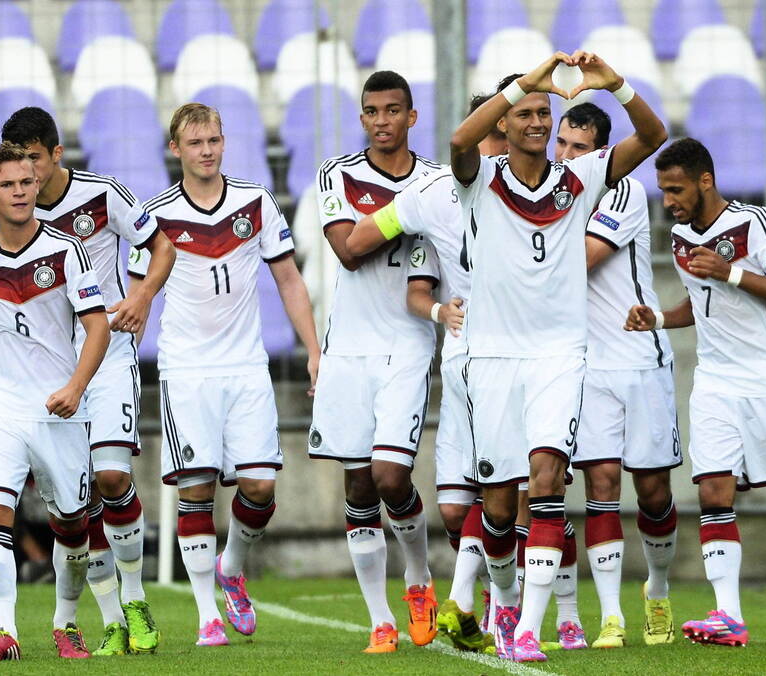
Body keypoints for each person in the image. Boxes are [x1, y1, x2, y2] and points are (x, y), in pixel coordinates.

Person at [449, 51, 667, 662]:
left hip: (559, 355)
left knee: (546, 480)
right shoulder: (480, 180)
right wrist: (526, 81)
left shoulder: (581, 176)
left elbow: (654, 136)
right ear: (507, 122)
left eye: (545, 111)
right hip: (491, 358)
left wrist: (616, 85)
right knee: (496, 509)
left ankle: (526, 631)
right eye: (526, 113)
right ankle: (504, 596)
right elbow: (459, 137)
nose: (539, 122)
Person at [626, 137, 766, 649]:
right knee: (712, 491)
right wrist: (658, 318)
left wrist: (730, 270)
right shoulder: (681, 235)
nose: (669, 202)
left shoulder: (755, 223)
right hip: (716, 380)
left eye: (676, 189)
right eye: (663, 191)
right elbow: (700, 302)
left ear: (706, 181)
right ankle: (728, 614)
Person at [0, 107, 175, 655]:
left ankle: (134, 602)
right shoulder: (5, 216)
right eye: (17, 165)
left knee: (112, 477)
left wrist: (139, 296)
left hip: (108, 354)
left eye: (35, 162)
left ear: (56, 154)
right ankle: (107, 616)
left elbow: (162, 245)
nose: (28, 176)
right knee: (77, 500)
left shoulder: (102, 195)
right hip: (50, 372)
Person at [127, 103, 319, 647]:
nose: (206, 150)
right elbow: (140, 298)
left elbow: (289, 279)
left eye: (214, 140)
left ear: (224, 142)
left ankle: (231, 567)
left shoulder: (255, 203)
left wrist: (313, 350)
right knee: (196, 489)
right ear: (176, 150)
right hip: (187, 371)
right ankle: (207, 614)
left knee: (259, 487)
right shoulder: (158, 216)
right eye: (195, 143)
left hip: (245, 367)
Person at [347, 93, 515, 654]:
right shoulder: (436, 193)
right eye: (484, 132)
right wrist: (441, 309)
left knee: (521, 489)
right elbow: (369, 253)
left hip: (526, 359)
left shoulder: (540, 196)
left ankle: (503, 607)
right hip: (463, 362)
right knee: (453, 505)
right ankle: (472, 598)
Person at [0, 143, 111, 660]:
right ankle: (6, 634)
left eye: (25, 182)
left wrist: (76, 387)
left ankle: (65, 624)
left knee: (72, 525)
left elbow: (97, 326)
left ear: (37, 185)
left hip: (57, 406)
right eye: (7, 185)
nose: (19, 192)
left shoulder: (66, 252)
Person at [307, 70, 441, 654]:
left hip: (409, 343)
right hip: (349, 349)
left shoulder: (436, 179)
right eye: (371, 112)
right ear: (362, 119)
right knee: (359, 485)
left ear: (412, 118)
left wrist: (389, 217)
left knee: (392, 477)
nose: (382, 121)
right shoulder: (336, 174)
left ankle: (419, 578)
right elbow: (347, 250)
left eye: (393, 110)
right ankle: (380, 619)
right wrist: (409, 213)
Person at [554, 103, 680, 649]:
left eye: (578, 148)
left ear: (604, 153)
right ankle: (611, 617)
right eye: (561, 143)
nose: (565, 156)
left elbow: (580, 259)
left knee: (652, 494)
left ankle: (657, 588)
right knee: (600, 485)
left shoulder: (622, 190)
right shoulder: (553, 196)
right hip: (589, 365)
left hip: (638, 357)